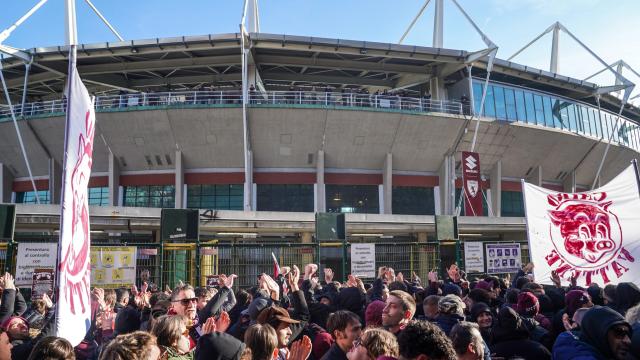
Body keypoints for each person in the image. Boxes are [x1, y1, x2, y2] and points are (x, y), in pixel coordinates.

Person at [553, 306, 632, 360]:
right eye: (619, 332)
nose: (628, 341)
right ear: (599, 332)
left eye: (628, 334)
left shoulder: (568, 340)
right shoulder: (581, 355)